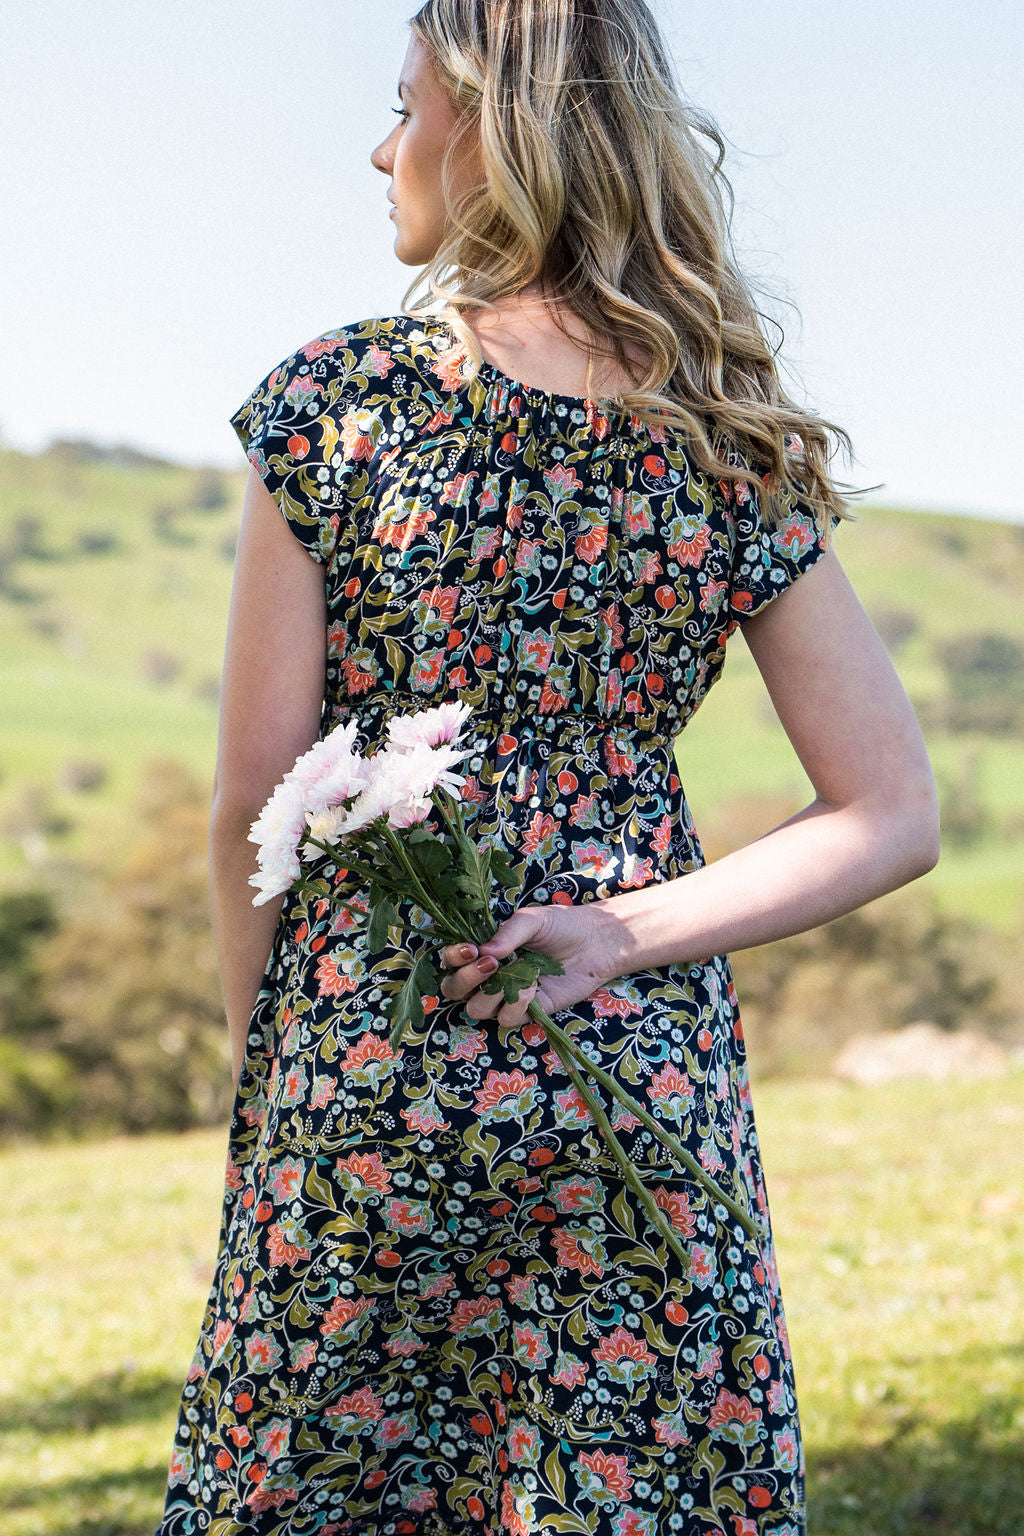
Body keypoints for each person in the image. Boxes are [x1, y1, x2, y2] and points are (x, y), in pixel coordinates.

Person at [154, 3, 940, 1533]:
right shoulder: (718, 432)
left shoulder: (339, 404)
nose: (385, 152)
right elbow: (895, 812)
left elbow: (257, 792)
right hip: (636, 1082)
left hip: (367, 1061)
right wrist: (619, 935)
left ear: (488, 127)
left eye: (403, 111)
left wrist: (277, 1085)